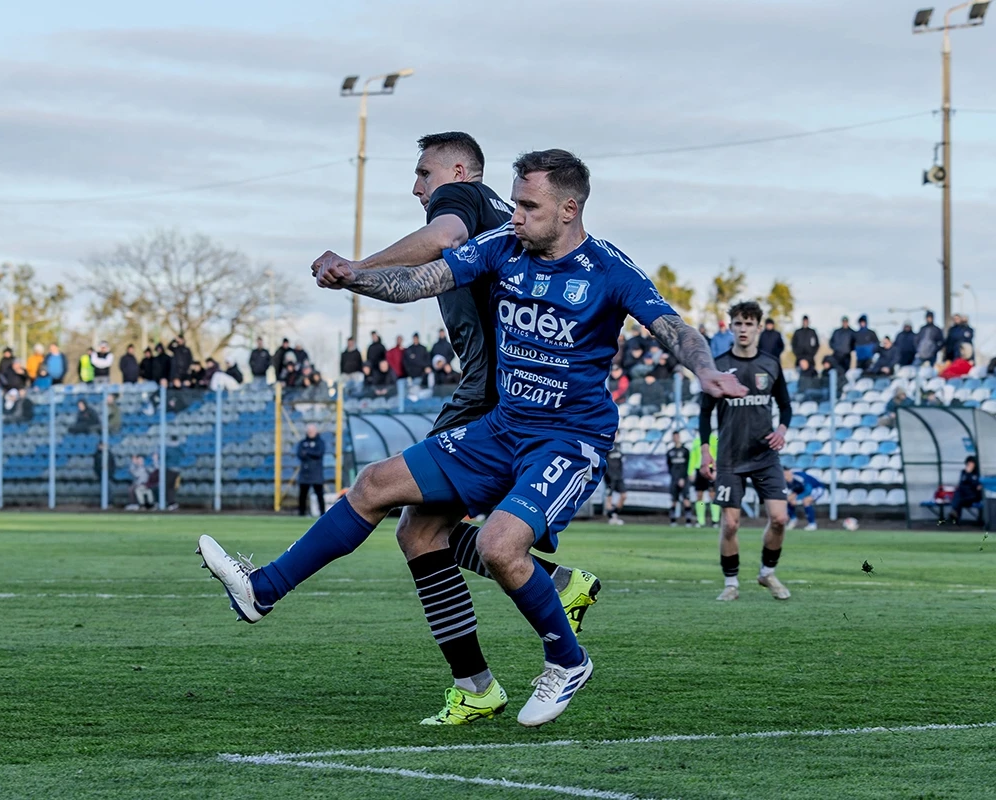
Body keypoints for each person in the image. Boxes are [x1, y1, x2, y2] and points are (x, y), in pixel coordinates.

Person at [203, 148, 744, 728]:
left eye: (529, 206)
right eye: (514, 202)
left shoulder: (608, 268)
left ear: (569, 209)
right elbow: (417, 282)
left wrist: (705, 369)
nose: (516, 215)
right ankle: (263, 590)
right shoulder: (501, 246)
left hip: (568, 439)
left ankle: (568, 661)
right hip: (500, 428)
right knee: (376, 484)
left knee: (497, 546)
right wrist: (354, 276)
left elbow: (672, 327)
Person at [311, 132, 600, 664]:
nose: (417, 187)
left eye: (424, 173)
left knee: (417, 528)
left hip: (487, 391)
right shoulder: (504, 215)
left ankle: (489, 673)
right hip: (505, 388)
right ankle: (551, 593)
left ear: (460, 171)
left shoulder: (460, 197)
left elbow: (445, 235)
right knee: (420, 528)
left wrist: (356, 268)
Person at [700, 300, 793, 602]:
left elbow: (786, 406)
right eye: (738, 323)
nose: (743, 329)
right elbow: (705, 413)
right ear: (731, 327)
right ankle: (731, 583)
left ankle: (767, 573)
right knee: (730, 524)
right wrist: (705, 451)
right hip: (730, 456)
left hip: (765, 455)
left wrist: (781, 430)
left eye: (749, 324)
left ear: (758, 328)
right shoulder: (718, 366)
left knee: (779, 518)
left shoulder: (771, 364)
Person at [688, 432, 720, 528]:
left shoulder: (715, 439)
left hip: (712, 468)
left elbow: (719, 455)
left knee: (712, 494)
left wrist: (717, 469)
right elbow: (693, 457)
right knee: (699, 495)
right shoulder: (696, 441)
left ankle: (715, 520)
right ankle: (701, 520)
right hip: (700, 469)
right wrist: (690, 471)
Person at [296, 424, 326, 518]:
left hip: (316, 473)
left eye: (312, 431)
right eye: (309, 431)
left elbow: (319, 453)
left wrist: (308, 452)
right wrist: (311, 452)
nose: (310, 433)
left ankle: (323, 514)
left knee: (319, 495)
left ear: (315, 431)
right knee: (302, 495)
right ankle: (301, 514)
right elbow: (300, 454)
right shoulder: (303, 442)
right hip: (305, 474)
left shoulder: (320, 442)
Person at [666, 431, 694, 527]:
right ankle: (673, 520)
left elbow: (688, 465)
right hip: (674, 479)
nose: (675, 438)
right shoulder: (670, 452)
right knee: (673, 500)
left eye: (677, 436)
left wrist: (683, 477)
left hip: (684, 479)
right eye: (674, 437)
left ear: (679, 437)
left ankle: (688, 521)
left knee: (686, 499)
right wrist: (675, 477)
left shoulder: (685, 451)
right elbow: (669, 466)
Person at [601, 432, 626, 524]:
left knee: (624, 495)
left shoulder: (619, 446)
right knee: (609, 496)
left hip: (619, 475)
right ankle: (611, 518)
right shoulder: (607, 445)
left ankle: (614, 513)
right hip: (609, 475)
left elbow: (620, 462)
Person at [949, 456, 982, 524]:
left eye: (971, 464)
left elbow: (976, 485)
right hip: (963, 495)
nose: (970, 466)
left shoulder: (977, 473)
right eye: (968, 464)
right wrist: (967, 474)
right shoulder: (963, 472)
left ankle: (954, 512)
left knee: (958, 498)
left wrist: (969, 474)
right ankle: (955, 515)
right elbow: (961, 483)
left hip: (973, 496)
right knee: (958, 494)